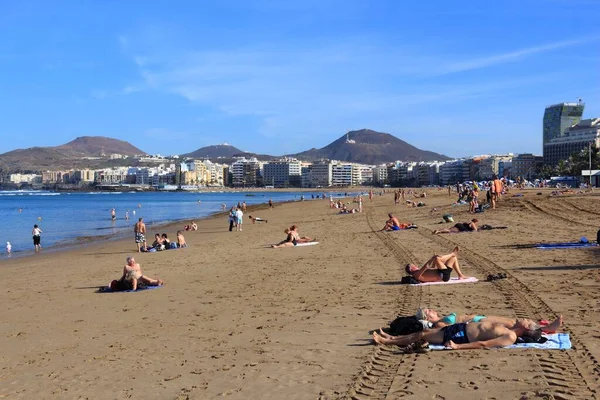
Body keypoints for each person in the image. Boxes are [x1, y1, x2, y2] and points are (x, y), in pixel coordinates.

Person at [372, 318, 544, 350]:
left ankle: (386, 342)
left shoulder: (510, 337)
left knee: (421, 336)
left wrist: (458, 346)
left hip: (461, 336)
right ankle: (393, 337)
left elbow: (483, 345)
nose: (526, 319)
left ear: (527, 329)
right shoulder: (510, 327)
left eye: (528, 322)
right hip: (460, 327)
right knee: (424, 331)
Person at [415, 308, 563, 334]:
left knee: (511, 322)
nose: (432, 310)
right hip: (475, 322)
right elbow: (452, 329)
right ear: (427, 318)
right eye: (429, 311)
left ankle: (540, 327)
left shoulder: (441, 318)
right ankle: (545, 329)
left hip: (477, 318)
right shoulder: (439, 323)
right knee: (513, 324)